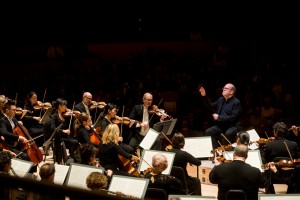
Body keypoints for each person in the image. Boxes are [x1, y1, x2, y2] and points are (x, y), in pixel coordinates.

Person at [198, 83, 243, 149]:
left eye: (226, 88)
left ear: (231, 92)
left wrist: (219, 117)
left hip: (233, 125)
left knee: (228, 133)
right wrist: (204, 96)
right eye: (223, 88)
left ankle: (227, 151)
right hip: (222, 125)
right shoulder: (221, 99)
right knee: (209, 131)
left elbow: (234, 117)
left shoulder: (236, 102)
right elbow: (210, 106)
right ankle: (216, 150)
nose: (223, 89)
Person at [264, 121, 299, 194]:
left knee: (266, 167)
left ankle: (270, 192)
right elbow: (297, 159)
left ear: (275, 132)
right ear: (286, 132)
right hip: (291, 174)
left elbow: (266, 161)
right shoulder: (294, 144)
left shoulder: (269, 145)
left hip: (273, 174)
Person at [51, 98, 79, 163]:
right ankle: (70, 159)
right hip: (59, 138)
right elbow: (53, 128)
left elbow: (71, 123)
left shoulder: (65, 115)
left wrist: (73, 114)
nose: (66, 107)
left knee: (76, 142)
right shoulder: (55, 116)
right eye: (64, 105)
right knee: (73, 142)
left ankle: (72, 158)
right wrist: (64, 131)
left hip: (65, 137)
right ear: (59, 106)